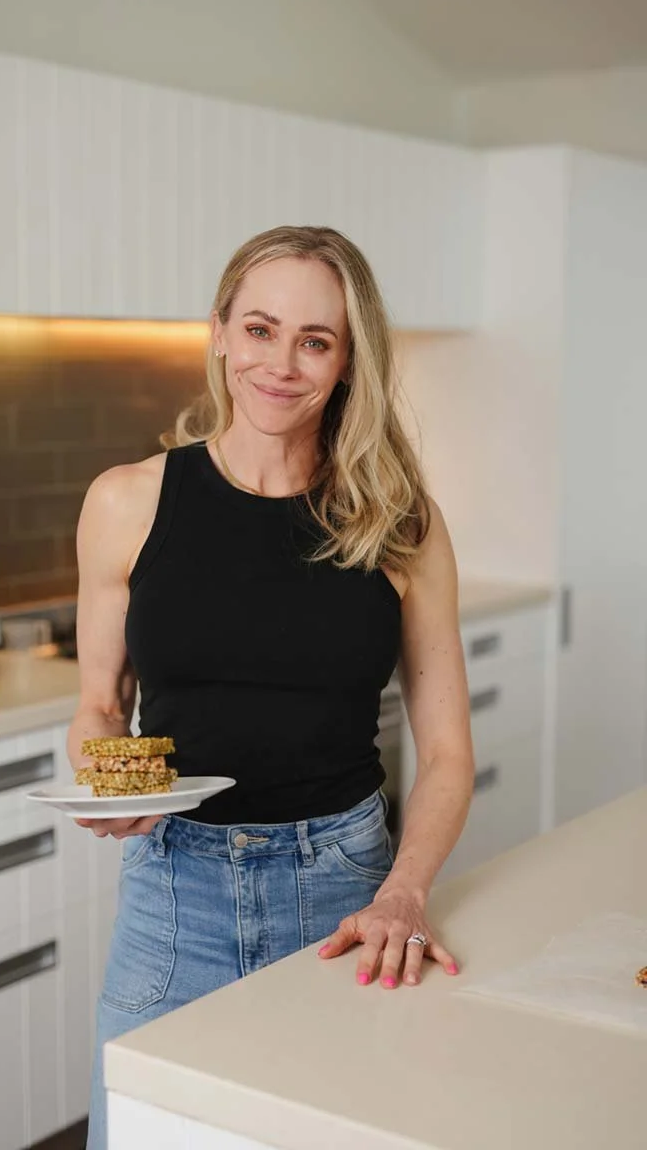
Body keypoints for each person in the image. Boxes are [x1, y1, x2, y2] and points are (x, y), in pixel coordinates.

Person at [68, 225, 475, 1149]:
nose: (280, 364)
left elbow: (449, 753)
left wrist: (405, 893)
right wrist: (110, 780)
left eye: (314, 340)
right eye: (259, 329)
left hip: (346, 895)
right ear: (219, 333)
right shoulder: (127, 500)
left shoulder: (399, 522)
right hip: (174, 890)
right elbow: (99, 703)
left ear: (347, 361)